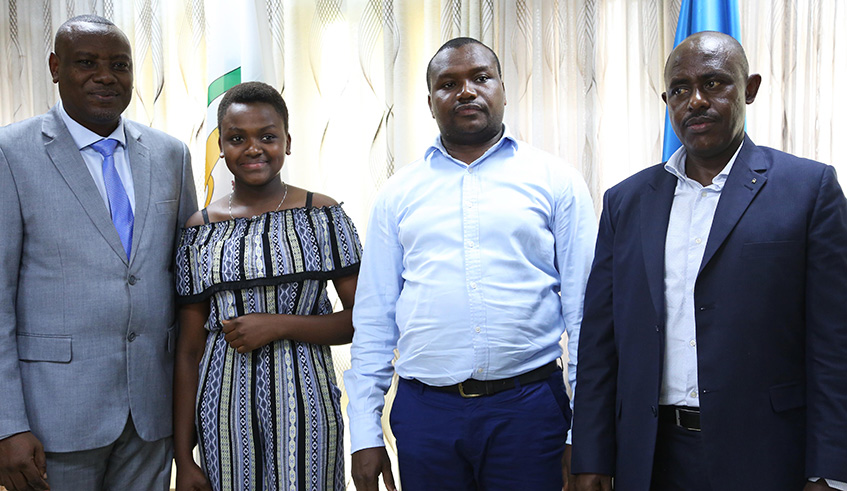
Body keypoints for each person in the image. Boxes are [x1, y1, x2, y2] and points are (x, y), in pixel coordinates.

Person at [570, 31, 847, 491]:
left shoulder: (808, 189)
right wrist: (591, 455)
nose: (695, 101)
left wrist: (829, 470)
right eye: (680, 89)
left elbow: (834, 344)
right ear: (667, 102)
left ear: (749, 89)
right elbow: (600, 343)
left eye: (714, 83)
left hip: (767, 454)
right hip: (650, 456)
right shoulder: (626, 202)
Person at [345, 37, 597, 491]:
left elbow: (586, 315)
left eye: (481, 78)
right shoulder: (398, 194)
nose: (466, 91)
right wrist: (364, 431)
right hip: (427, 415)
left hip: (529, 409)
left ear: (503, 90)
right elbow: (374, 318)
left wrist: (584, 431)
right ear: (430, 102)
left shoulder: (556, 181)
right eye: (448, 84)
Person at [0, 14, 198, 491]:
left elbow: (188, 282)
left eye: (119, 65)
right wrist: (7, 424)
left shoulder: (171, 154)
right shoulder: (10, 152)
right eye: (87, 63)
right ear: (55, 67)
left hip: (151, 413)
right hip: (53, 418)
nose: (105, 76)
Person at [172, 81, 362, 491]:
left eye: (268, 136)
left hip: (308, 410)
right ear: (220, 146)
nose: (253, 148)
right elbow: (188, 351)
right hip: (223, 415)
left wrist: (279, 325)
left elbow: (363, 320)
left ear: (287, 142)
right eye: (237, 138)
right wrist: (183, 457)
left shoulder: (322, 215)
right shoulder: (200, 230)